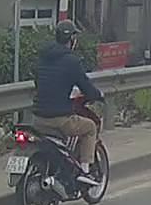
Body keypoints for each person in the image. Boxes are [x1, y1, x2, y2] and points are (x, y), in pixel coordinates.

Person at [32, 20, 104, 187]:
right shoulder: (72, 61)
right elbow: (86, 87)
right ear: (72, 39)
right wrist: (98, 95)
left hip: (37, 119)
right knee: (90, 127)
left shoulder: (43, 58)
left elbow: (40, 83)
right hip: (59, 119)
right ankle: (85, 171)